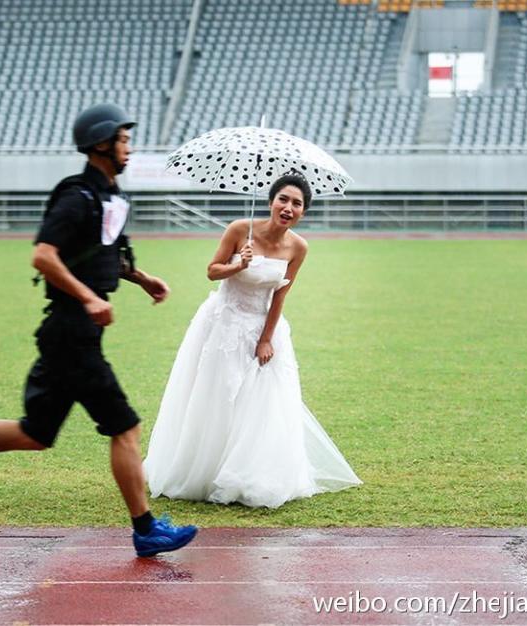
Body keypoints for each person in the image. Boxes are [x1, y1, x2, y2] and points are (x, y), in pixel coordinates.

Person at [0, 103, 197, 557]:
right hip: (72, 331)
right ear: (101, 144)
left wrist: (141, 280)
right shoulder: (76, 195)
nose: (129, 147)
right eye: (123, 139)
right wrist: (88, 298)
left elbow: (101, 254)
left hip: (70, 333)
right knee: (126, 428)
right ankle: (145, 530)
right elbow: (44, 255)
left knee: (35, 434)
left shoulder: (109, 198)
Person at [143, 173, 362, 509]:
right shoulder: (238, 229)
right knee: (219, 395)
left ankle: (250, 474)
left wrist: (266, 339)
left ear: (304, 211)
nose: (288, 208)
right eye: (283, 200)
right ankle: (206, 470)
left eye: (297, 204)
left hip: (264, 327)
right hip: (224, 323)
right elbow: (211, 271)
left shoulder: (298, 247)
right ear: (271, 201)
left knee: (263, 402)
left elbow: (280, 296)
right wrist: (237, 264)